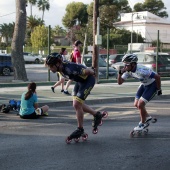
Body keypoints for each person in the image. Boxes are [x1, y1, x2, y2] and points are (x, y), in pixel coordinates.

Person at [45, 52, 105, 140]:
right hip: (80, 81)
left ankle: (80, 129)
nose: (50, 68)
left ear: (57, 63)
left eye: (51, 66)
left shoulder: (69, 68)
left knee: (77, 104)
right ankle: (96, 114)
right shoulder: (60, 69)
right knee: (77, 104)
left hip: (88, 80)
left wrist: (93, 71)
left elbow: (87, 71)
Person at [117, 54, 162, 131]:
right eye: (124, 64)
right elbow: (120, 82)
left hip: (152, 84)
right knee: (136, 104)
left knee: (140, 104)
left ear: (133, 64)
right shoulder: (128, 70)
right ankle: (147, 117)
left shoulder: (141, 70)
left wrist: (159, 89)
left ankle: (142, 123)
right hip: (144, 84)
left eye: (126, 64)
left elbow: (157, 77)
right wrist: (120, 73)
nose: (125, 66)